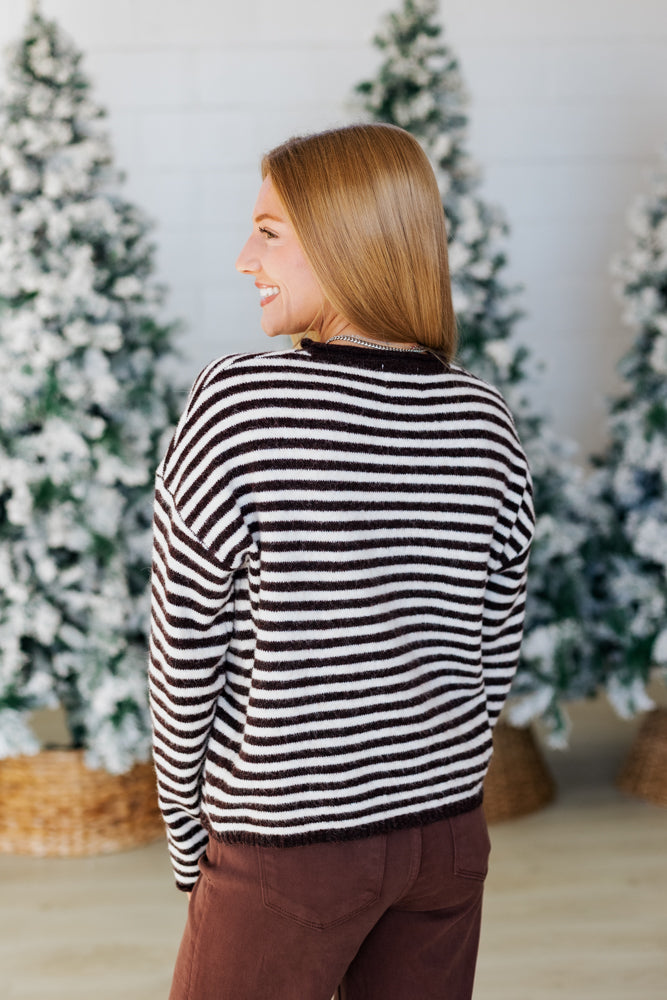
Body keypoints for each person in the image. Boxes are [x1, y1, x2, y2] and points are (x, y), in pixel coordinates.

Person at [149, 123, 534, 1000]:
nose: (244, 258)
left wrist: (187, 837)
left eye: (269, 232)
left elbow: (185, 652)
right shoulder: (483, 418)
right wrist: (437, 780)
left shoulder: (240, 402)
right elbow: (491, 651)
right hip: (444, 838)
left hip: (286, 847)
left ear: (345, 241)